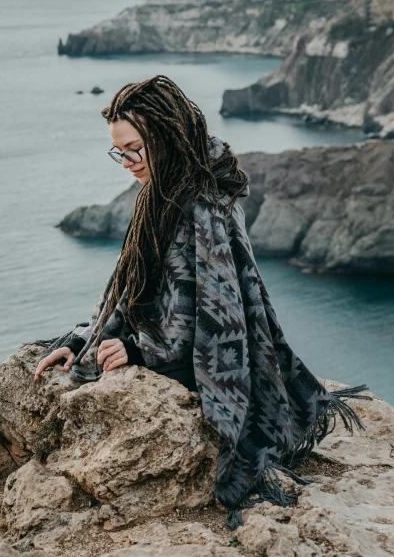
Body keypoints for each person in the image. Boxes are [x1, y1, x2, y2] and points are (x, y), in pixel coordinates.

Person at [29, 74, 372, 529]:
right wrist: (84, 337)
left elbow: (218, 313)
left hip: (200, 364)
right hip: (169, 348)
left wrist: (138, 352)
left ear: (165, 136)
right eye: (119, 151)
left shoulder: (205, 204)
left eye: (135, 148)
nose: (126, 162)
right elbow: (129, 285)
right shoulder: (163, 187)